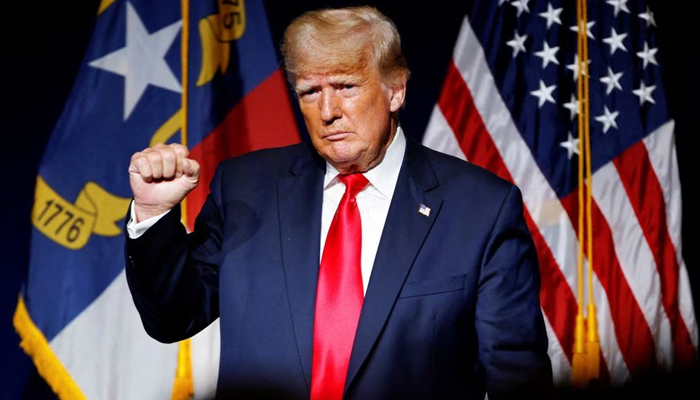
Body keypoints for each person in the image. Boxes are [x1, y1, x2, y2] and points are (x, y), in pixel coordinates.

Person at [124, 5, 553, 400]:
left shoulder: (481, 210)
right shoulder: (244, 188)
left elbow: (516, 375)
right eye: (310, 91)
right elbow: (173, 319)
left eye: (346, 86)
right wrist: (153, 215)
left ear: (396, 91)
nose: (328, 110)